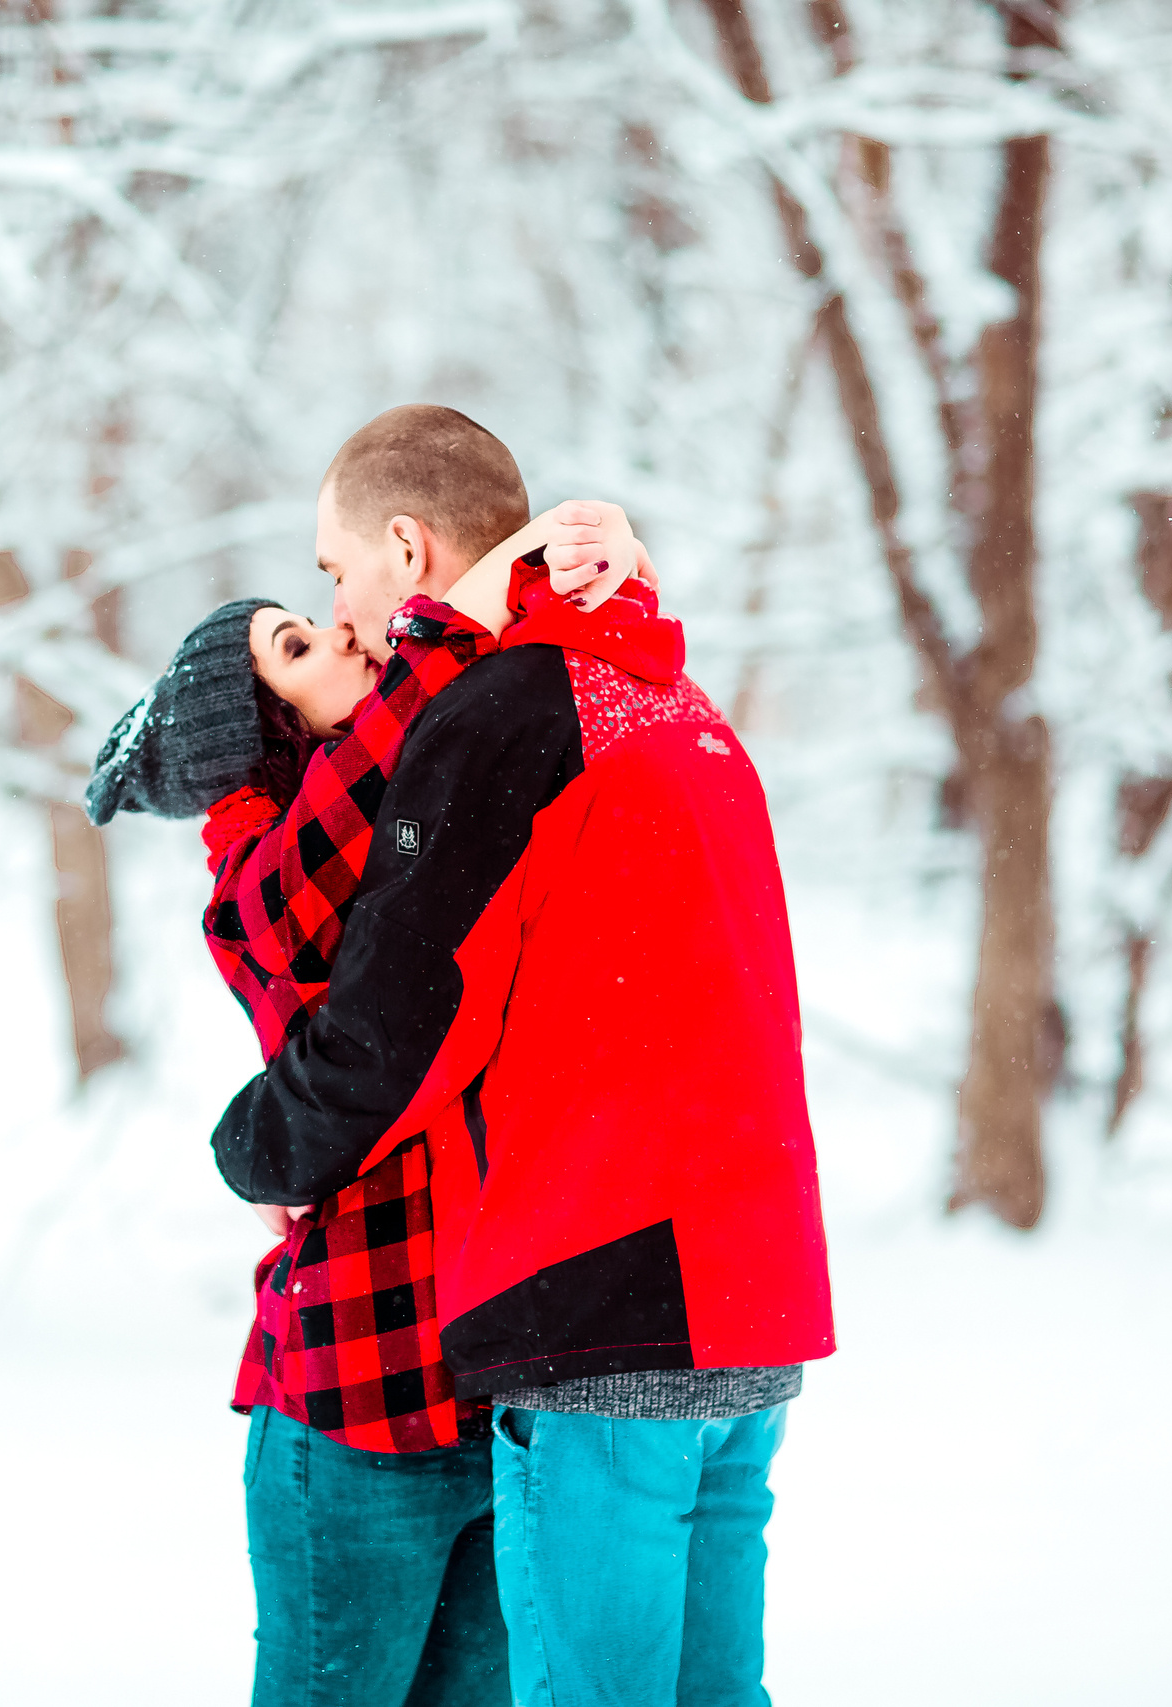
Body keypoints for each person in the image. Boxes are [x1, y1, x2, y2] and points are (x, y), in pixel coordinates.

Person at [209, 405, 835, 1707]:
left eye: (338, 571)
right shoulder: (670, 692)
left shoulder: (504, 713)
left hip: (605, 1305)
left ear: (405, 546)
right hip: (750, 1291)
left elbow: (398, 1020)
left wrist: (257, 1143)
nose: (342, 607)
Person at [87, 494, 652, 1706]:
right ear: (261, 735)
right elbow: (411, 745)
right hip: (352, 1403)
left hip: (483, 1391)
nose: (344, 633)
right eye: (297, 647)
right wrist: (476, 599)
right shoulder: (261, 881)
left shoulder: (396, 811)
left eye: (313, 614)